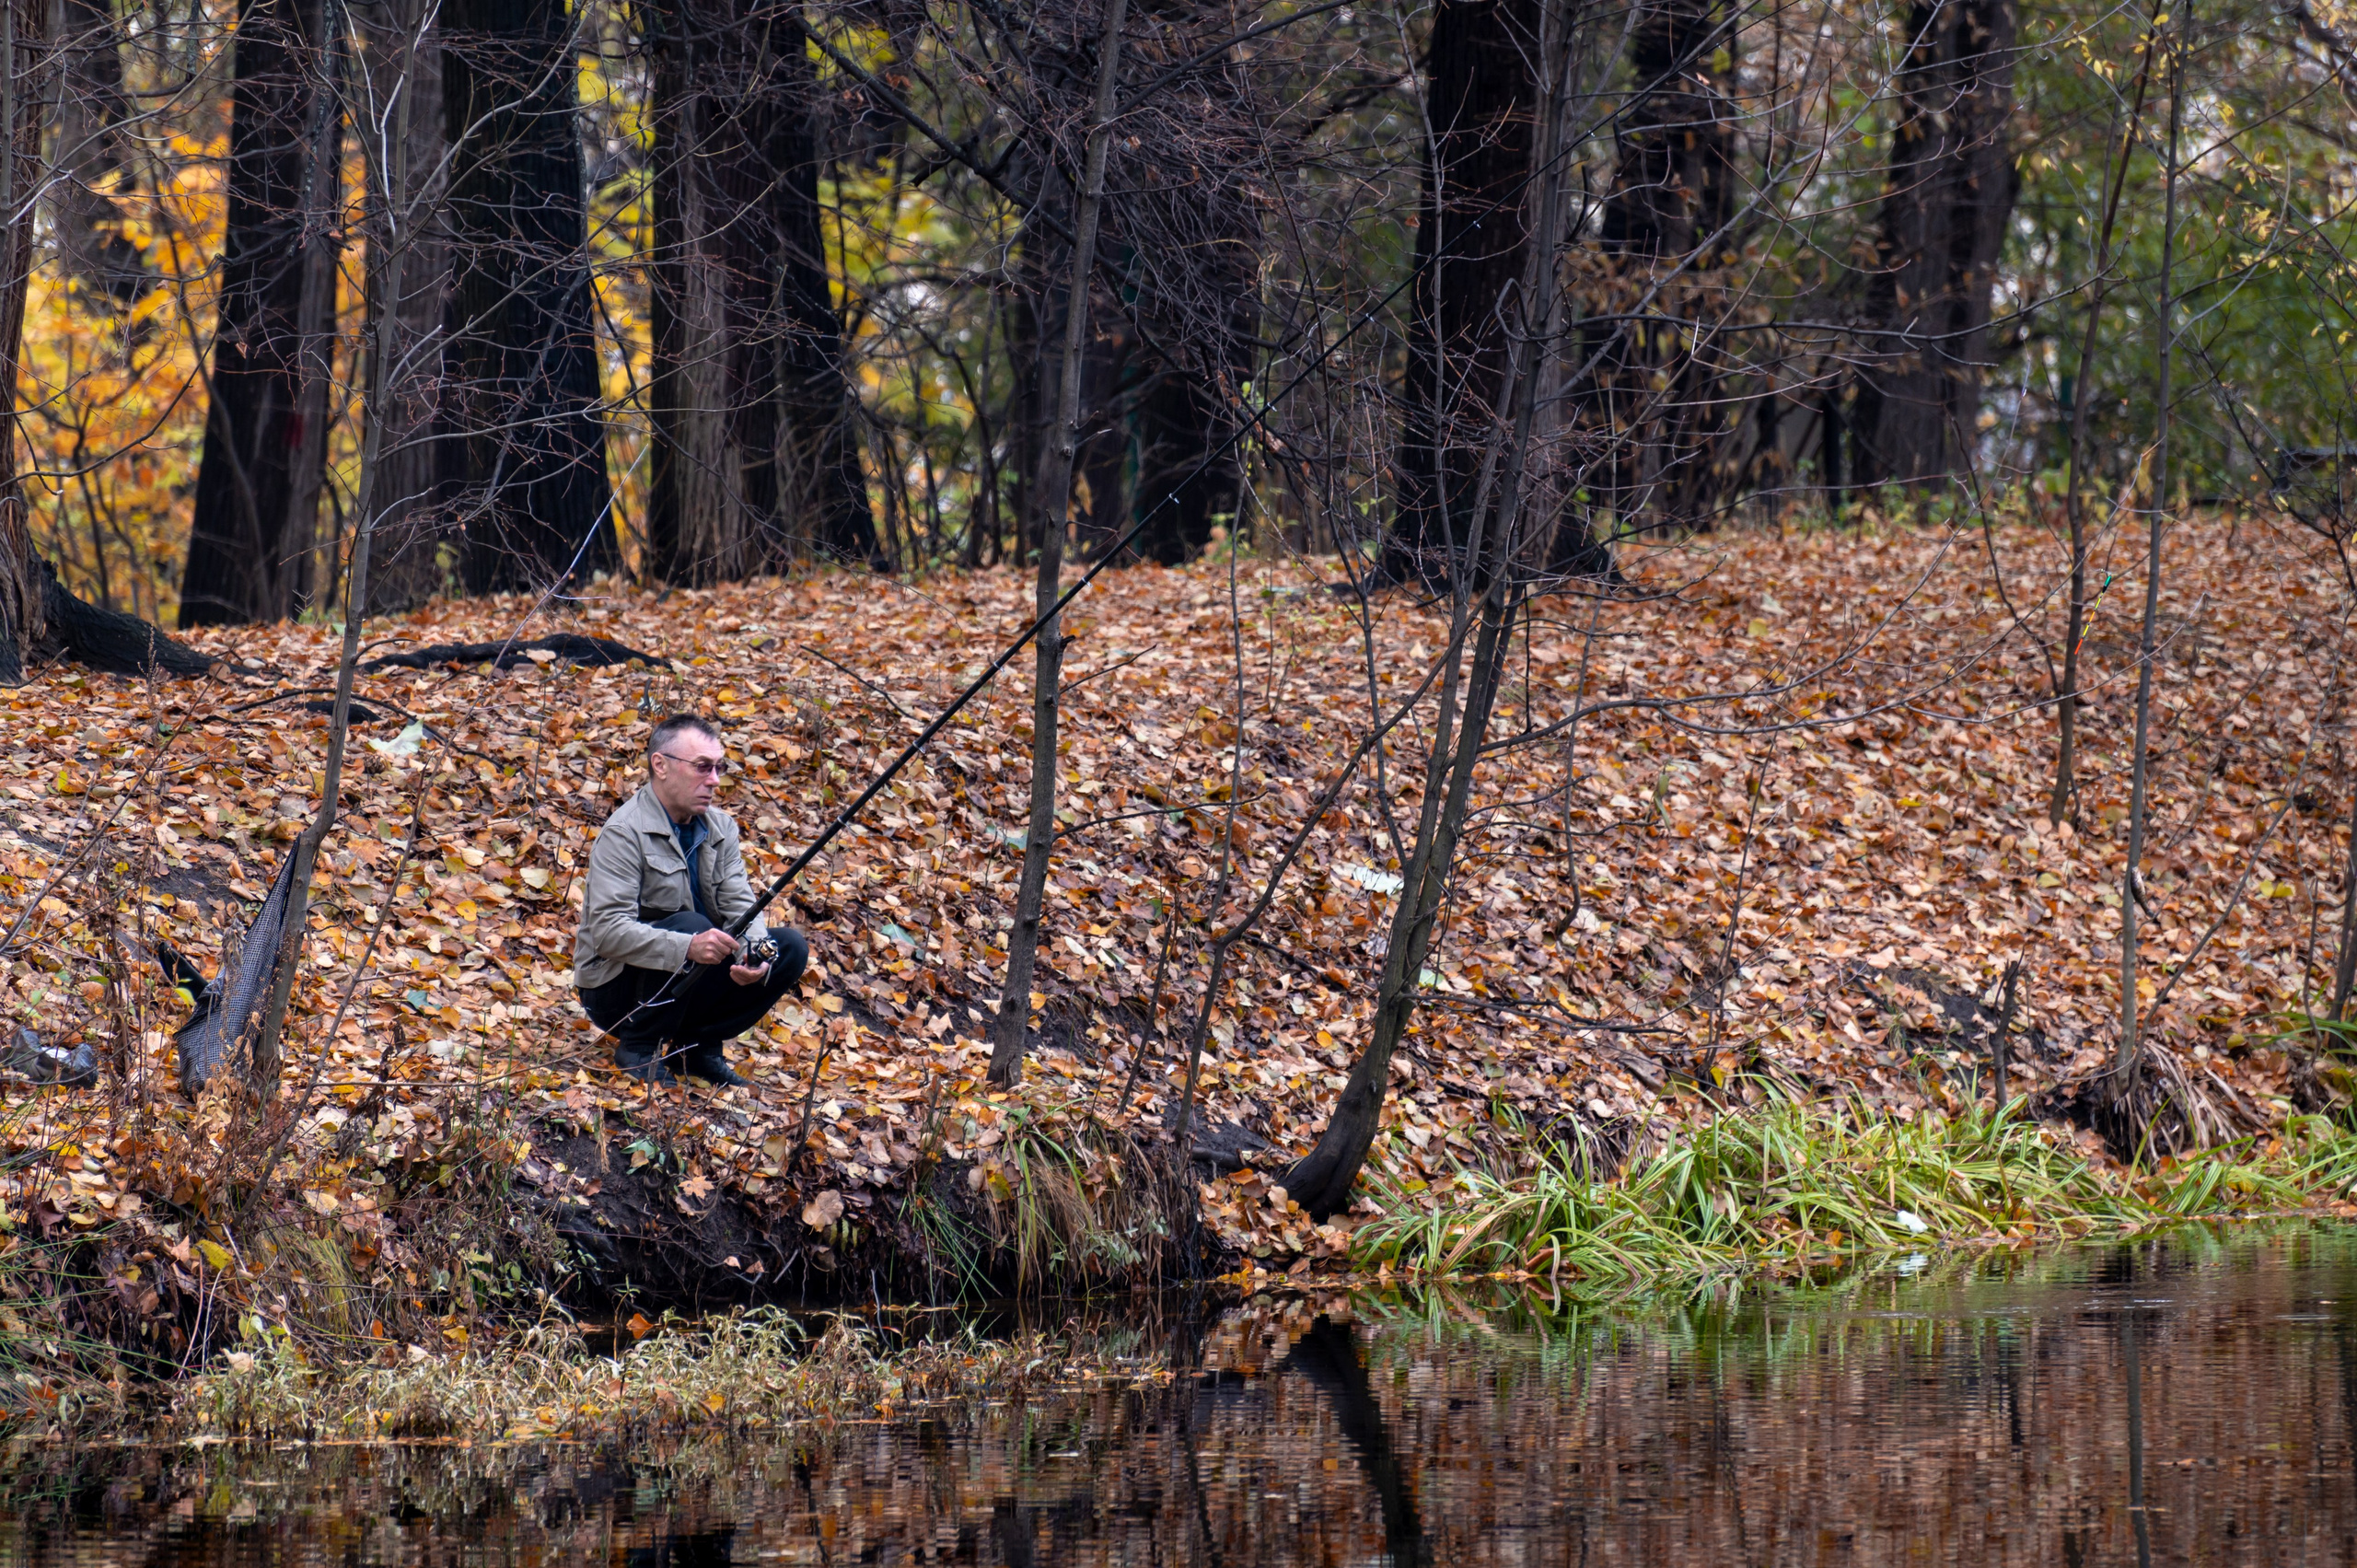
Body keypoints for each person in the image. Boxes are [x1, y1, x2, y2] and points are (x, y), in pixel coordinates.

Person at [575, 714, 808, 1085]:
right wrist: (687, 945)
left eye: (718, 767)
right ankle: (639, 1048)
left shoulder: (721, 828)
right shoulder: (623, 832)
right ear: (661, 765)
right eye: (702, 767)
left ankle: (697, 1049)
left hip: (692, 975)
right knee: (693, 925)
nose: (714, 780)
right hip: (615, 992)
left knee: (788, 947)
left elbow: (740, 906)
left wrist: (755, 952)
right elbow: (606, 933)